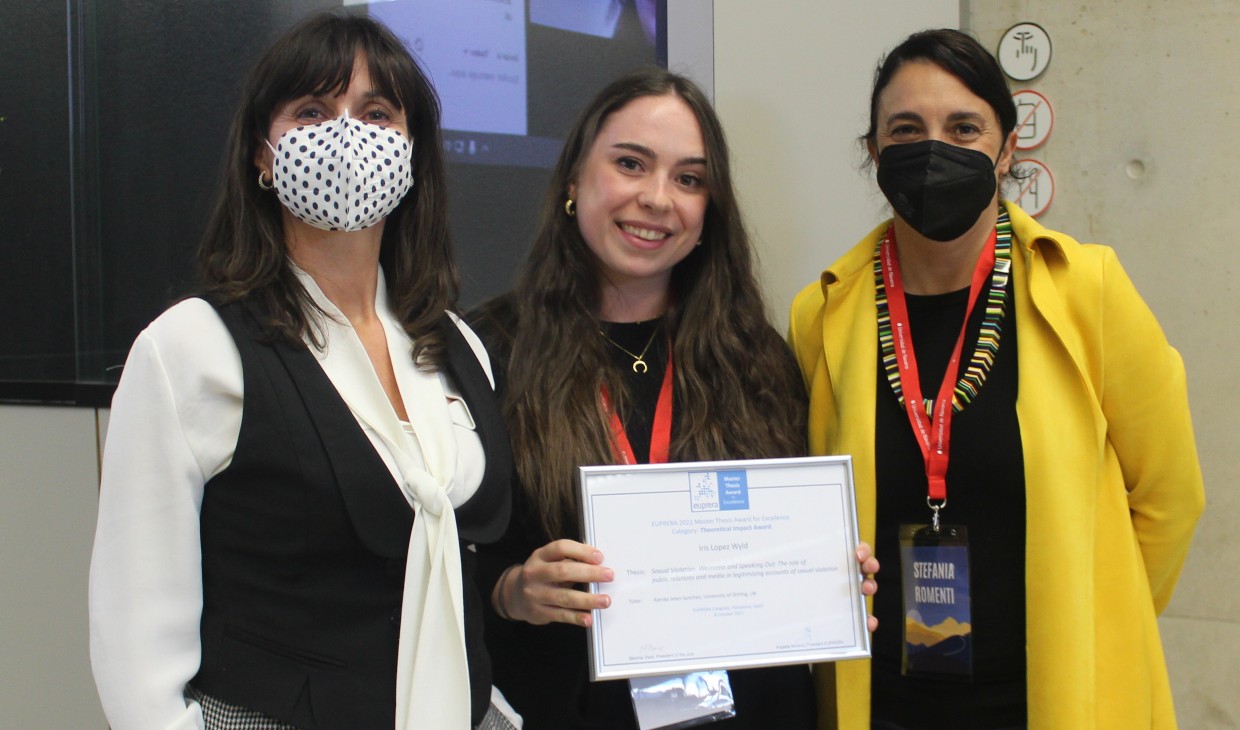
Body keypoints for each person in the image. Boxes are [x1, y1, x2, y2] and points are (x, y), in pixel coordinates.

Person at [88, 13, 518, 730]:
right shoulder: (191, 349)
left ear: (411, 154)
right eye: (313, 111)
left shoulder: (458, 346)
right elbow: (135, 635)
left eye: (377, 112)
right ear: (262, 153)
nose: (347, 134)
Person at [788, 28, 1204, 730]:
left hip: (1050, 698)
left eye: (964, 127)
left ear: (1007, 148)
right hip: (886, 700)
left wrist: (1100, 622)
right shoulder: (824, 313)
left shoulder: (1088, 290)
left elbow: (1169, 499)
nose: (934, 148)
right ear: (874, 152)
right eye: (906, 129)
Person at [469, 67, 879, 730]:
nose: (659, 198)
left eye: (689, 179)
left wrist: (828, 572)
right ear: (574, 181)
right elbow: (438, 565)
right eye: (631, 164)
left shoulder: (758, 359)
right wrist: (513, 589)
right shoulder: (487, 352)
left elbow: (786, 544)